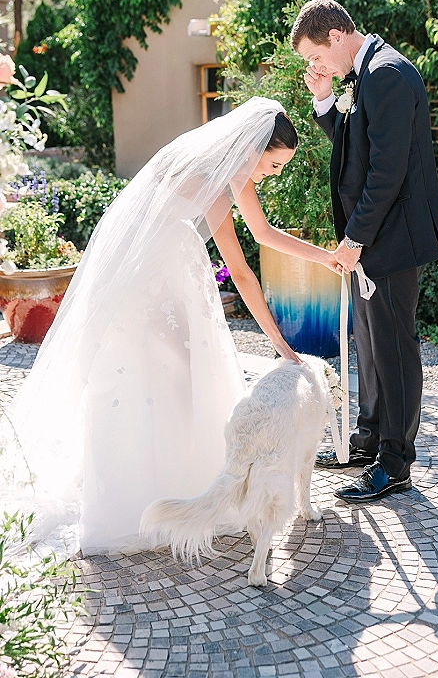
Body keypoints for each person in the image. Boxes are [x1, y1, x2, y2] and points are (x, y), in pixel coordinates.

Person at [0, 97, 339, 554]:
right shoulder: (213, 180)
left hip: (163, 271)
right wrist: (277, 339)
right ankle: (150, 500)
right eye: (274, 165)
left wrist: (328, 258)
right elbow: (240, 272)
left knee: (172, 377)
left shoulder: (225, 172)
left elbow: (263, 235)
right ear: (253, 149)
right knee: (166, 377)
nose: (273, 174)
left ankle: (182, 489)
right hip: (149, 282)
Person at [291, 0, 438, 503]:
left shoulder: (387, 75)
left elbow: (387, 172)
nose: (315, 66)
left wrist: (354, 239)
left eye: (316, 57)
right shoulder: (366, 75)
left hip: (392, 239)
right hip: (374, 238)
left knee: (395, 350)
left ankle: (395, 462)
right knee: (369, 345)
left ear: (336, 35)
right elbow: (356, 149)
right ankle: (368, 440)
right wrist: (323, 99)